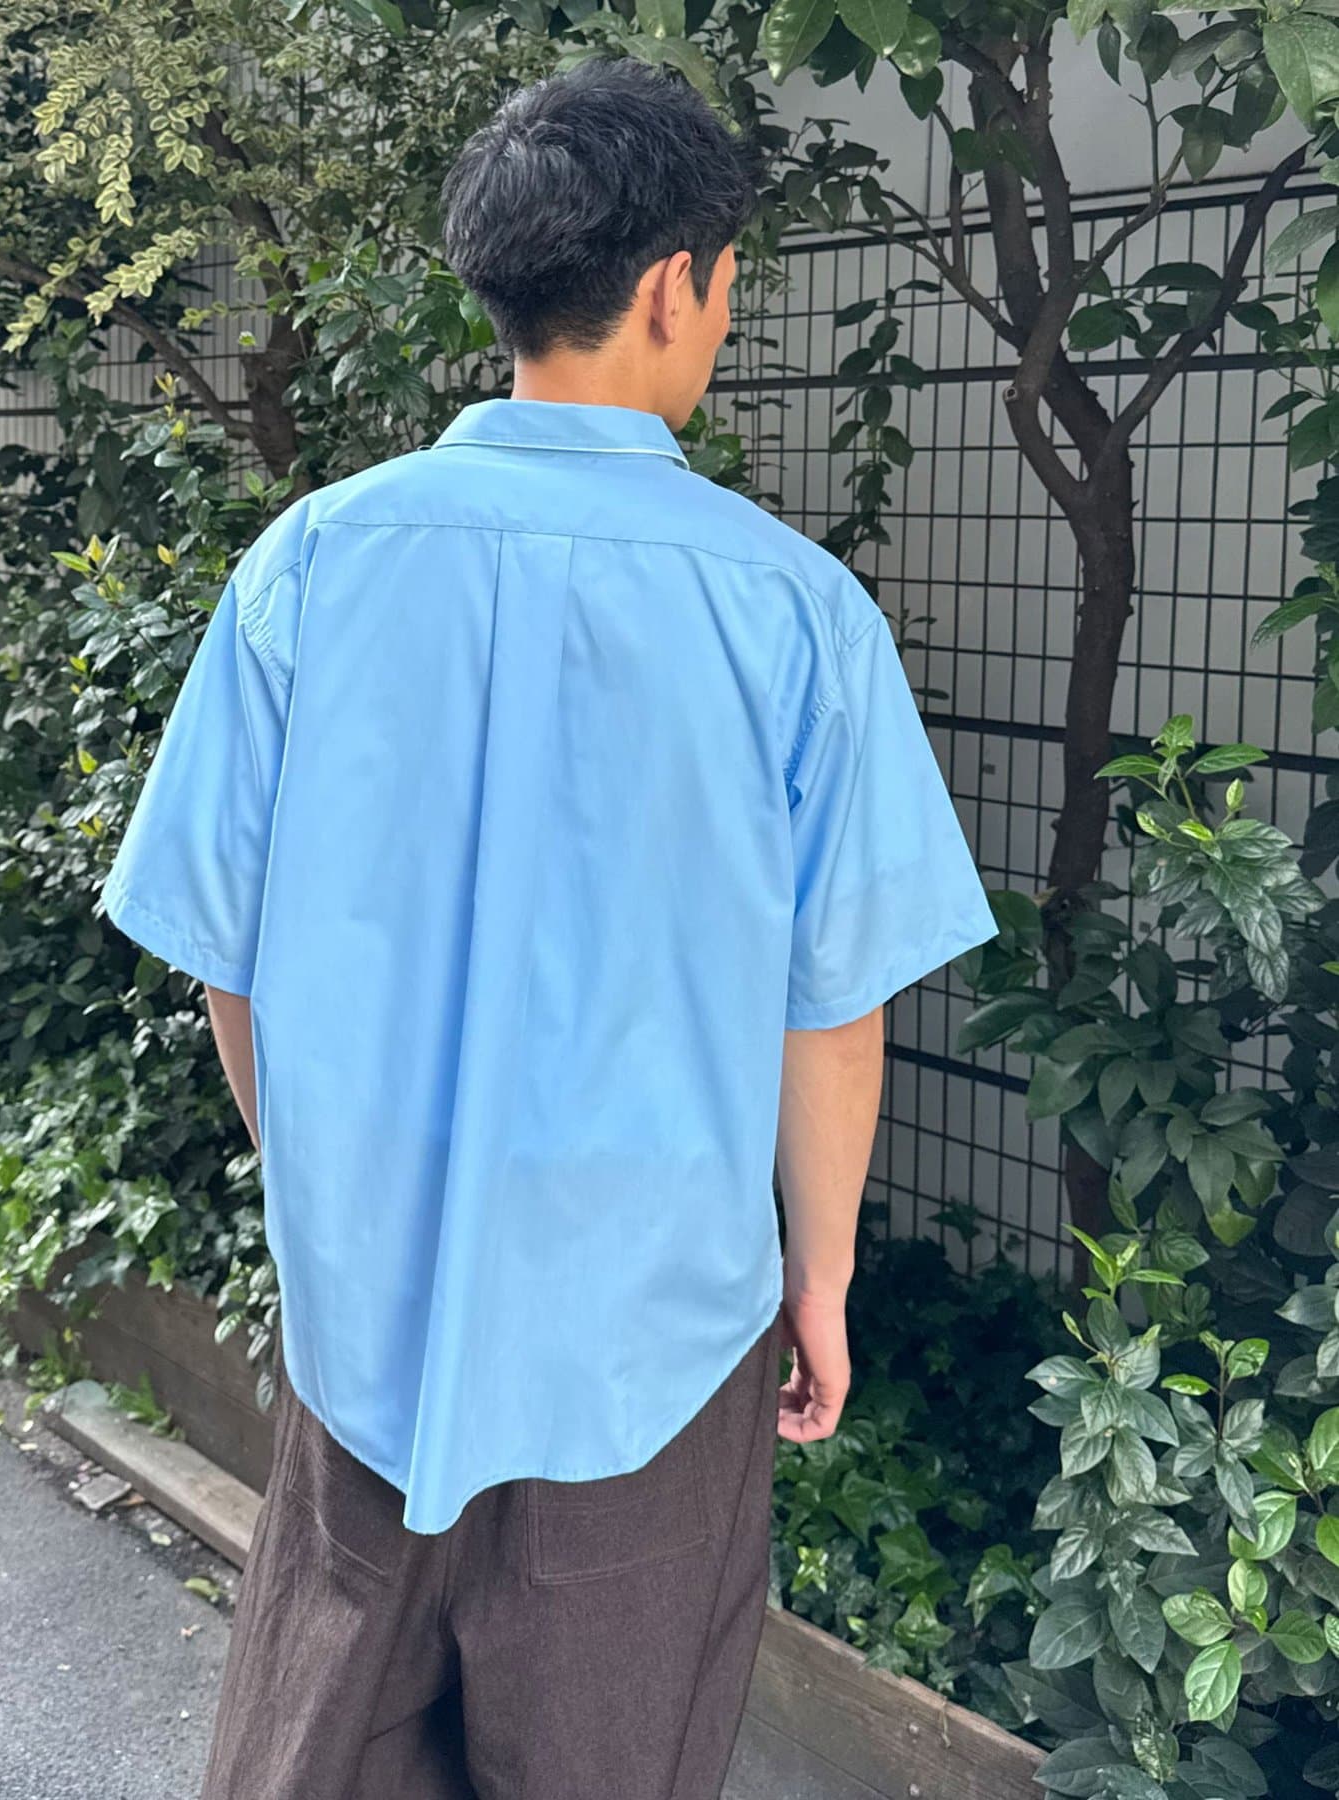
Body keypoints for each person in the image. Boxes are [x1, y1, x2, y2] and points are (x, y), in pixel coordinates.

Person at [98, 54, 999, 1800]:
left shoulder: (311, 564)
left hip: (371, 1325)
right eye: (726, 283)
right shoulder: (796, 616)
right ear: (673, 284)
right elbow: (831, 1010)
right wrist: (818, 1280)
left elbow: (232, 959)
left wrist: (327, 1185)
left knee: (321, 1752)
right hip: (656, 1345)